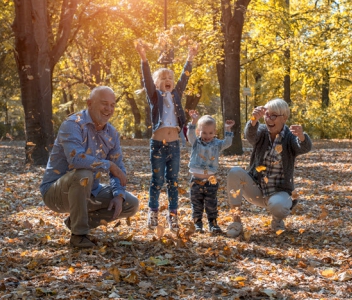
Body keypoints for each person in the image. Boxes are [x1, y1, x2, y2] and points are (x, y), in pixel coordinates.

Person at [39, 86, 139, 248]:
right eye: (104, 103)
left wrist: (118, 195)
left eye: (112, 105)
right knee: (84, 174)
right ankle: (79, 236)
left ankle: (76, 221)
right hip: (56, 192)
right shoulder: (72, 124)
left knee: (130, 204)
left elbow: (118, 168)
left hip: (90, 191)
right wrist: (109, 165)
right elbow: (76, 159)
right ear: (89, 103)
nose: (109, 109)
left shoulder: (111, 133)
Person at [135, 40, 198, 231]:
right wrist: (143, 58)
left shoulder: (176, 94)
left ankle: (173, 216)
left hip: (174, 145)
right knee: (157, 181)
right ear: (157, 83)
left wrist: (190, 57)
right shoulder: (155, 97)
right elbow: (146, 79)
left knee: (173, 181)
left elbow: (184, 78)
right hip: (157, 145)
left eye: (169, 76)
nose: (167, 79)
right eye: (162, 77)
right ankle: (153, 214)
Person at [226, 98, 312, 237]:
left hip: (279, 191)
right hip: (257, 189)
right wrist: (254, 119)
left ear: (284, 118)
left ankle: (277, 220)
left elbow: (303, 147)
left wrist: (302, 136)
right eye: (267, 115)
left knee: (278, 207)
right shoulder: (261, 132)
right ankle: (236, 222)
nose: (268, 119)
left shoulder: (290, 137)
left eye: (273, 116)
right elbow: (250, 135)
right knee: (234, 172)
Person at [187, 110, 235, 233]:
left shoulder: (217, 144)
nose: (207, 136)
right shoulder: (196, 142)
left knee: (211, 204)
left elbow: (228, 143)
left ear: (215, 133)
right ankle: (197, 224)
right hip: (196, 181)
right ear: (199, 131)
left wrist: (228, 129)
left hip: (210, 180)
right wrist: (193, 121)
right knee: (196, 204)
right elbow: (190, 135)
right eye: (204, 132)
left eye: (210, 133)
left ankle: (213, 224)